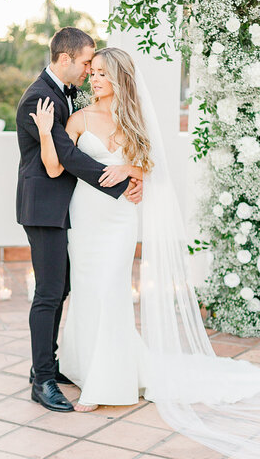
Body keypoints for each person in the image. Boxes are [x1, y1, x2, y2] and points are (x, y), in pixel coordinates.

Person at [30, 45, 260, 459]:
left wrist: (130, 170)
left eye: (102, 73)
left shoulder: (134, 120)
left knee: (111, 291)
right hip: (85, 218)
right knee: (86, 292)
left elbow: (153, 167)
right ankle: (84, 367)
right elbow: (53, 167)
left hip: (119, 219)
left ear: (119, 78)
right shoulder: (79, 118)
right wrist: (47, 131)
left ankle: (105, 383)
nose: (95, 80)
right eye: (93, 72)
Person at [16, 28, 143, 413]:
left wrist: (133, 171)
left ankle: (53, 364)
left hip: (69, 209)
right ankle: (42, 379)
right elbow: (66, 160)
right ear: (66, 58)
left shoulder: (64, 94)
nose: (90, 71)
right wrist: (121, 184)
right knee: (50, 293)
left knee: (64, 287)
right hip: (46, 209)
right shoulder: (39, 99)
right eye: (88, 62)